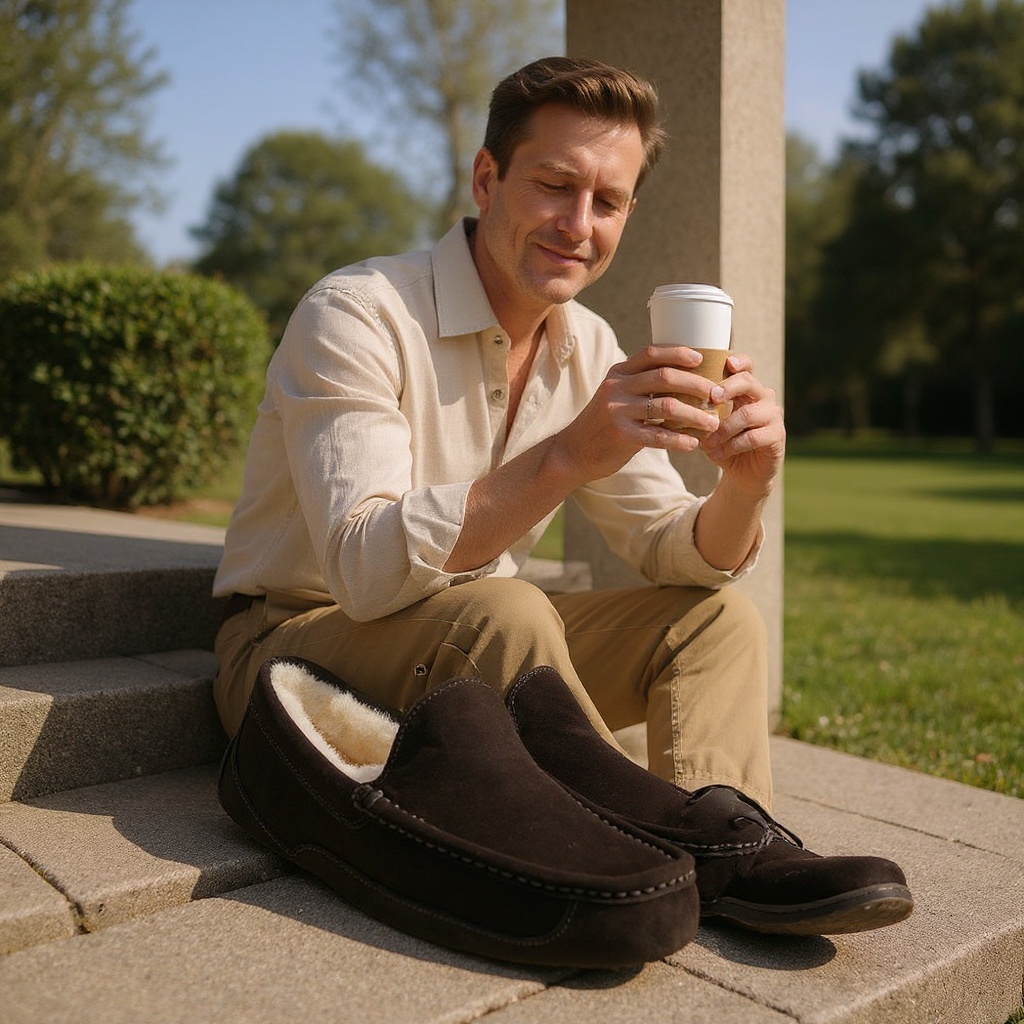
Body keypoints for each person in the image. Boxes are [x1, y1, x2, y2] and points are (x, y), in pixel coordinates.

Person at [212, 55, 912, 936]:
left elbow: (669, 543)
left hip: (483, 646)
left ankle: (729, 852)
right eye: (554, 185)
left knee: (715, 622)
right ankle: (666, 843)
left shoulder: (589, 344)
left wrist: (747, 487)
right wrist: (568, 454)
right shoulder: (358, 311)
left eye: (608, 201)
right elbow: (362, 567)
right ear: (486, 177)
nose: (579, 225)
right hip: (292, 653)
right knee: (507, 607)